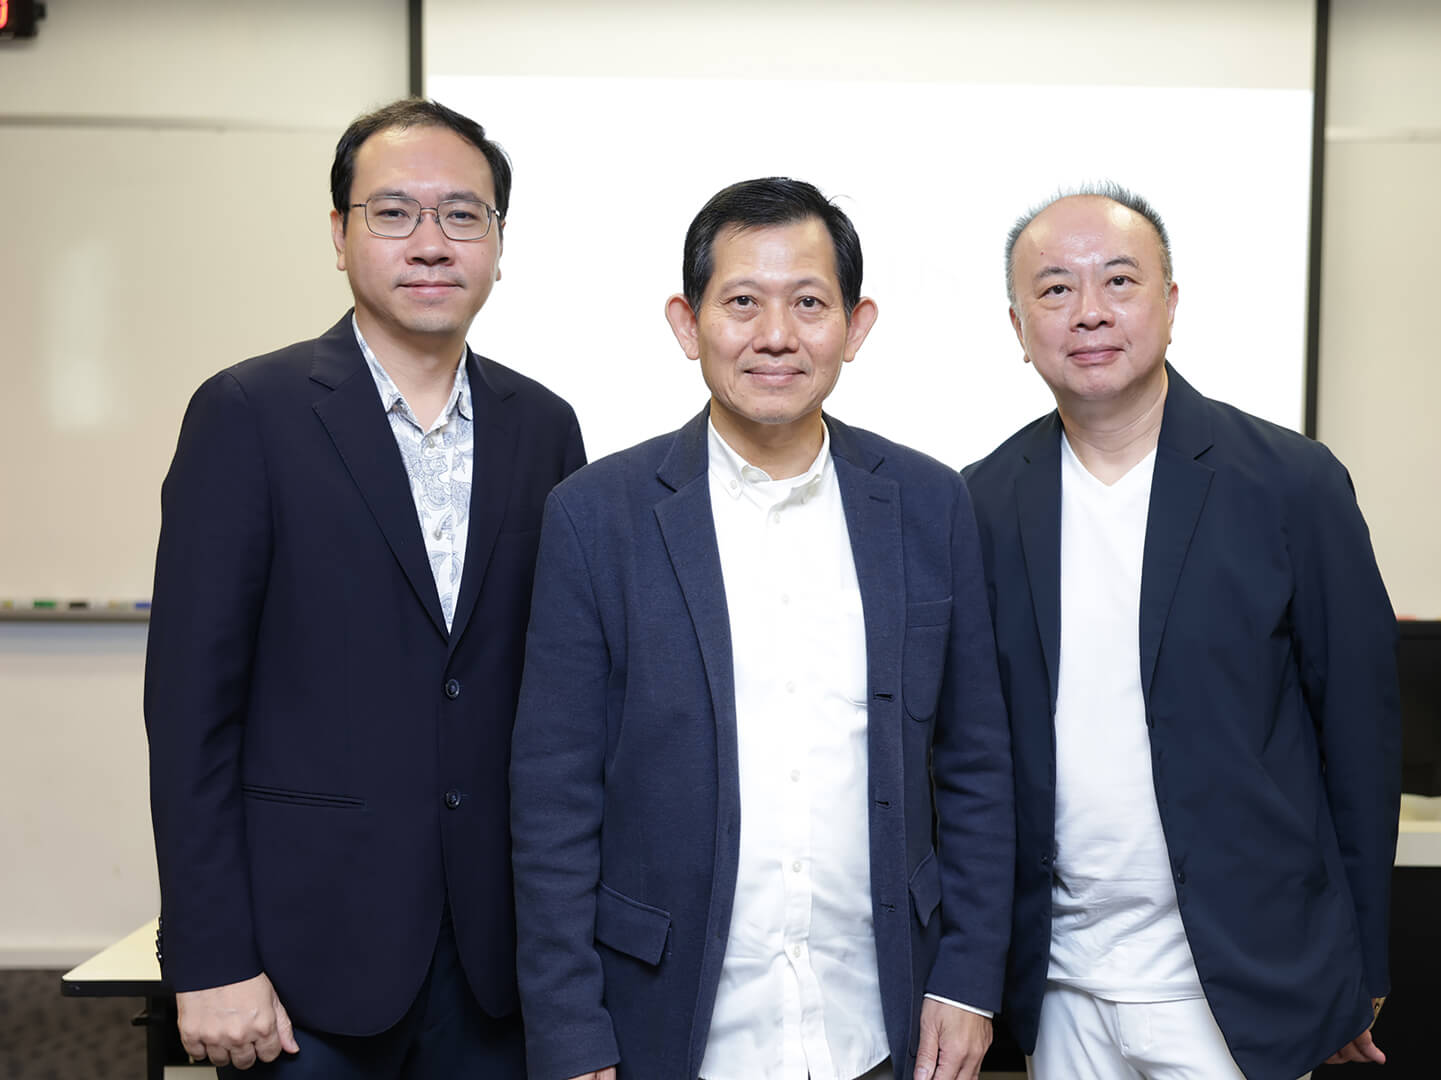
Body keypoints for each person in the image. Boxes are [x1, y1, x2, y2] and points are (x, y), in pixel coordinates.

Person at [509, 177, 1013, 1080]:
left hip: (882, 1022)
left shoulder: (930, 504)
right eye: (742, 302)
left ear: (855, 328)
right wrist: (569, 1031)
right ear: (685, 321)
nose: (775, 335)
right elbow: (553, 798)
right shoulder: (596, 517)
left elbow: (975, 765)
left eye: (809, 303)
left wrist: (970, 982)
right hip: (666, 1026)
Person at [144, 98, 586, 1076]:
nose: (431, 243)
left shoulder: (545, 428)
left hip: (496, 966)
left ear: (499, 245)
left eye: (463, 215)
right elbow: (189, 716)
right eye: (394, 213)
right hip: (304, 972)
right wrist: (212, 957)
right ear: (340, 236)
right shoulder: (247, 415)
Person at [962, 184, 1401, 1079]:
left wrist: (1359, 966)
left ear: (1171, 303)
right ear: (1017, 327)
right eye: (1054, 291)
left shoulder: (1291, 485)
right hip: (1058, 986)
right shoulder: (981, 501)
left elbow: (1359, 733)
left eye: (1119, 281)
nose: (1089, 312)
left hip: (1237, 980)